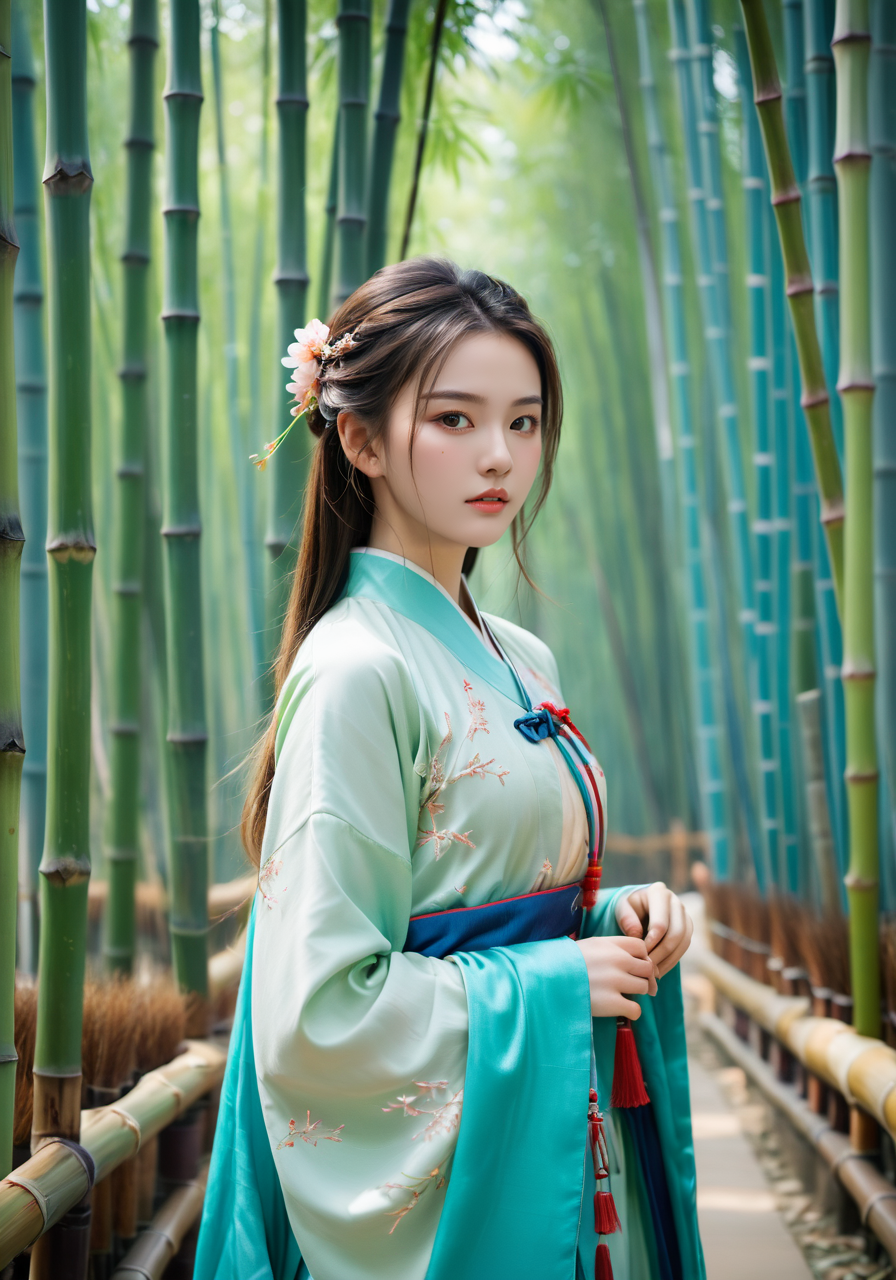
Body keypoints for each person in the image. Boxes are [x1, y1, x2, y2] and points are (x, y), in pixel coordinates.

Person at [195, 257, 703, 1280]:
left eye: (522, 421)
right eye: (455, 418)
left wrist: (611, 924)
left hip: (536, 1129)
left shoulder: (524, 656)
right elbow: (322, 1011)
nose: (498, 457)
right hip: (447, 1192)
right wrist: (553, 980)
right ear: (361, 437)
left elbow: (510, 897)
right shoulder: (355, 669)